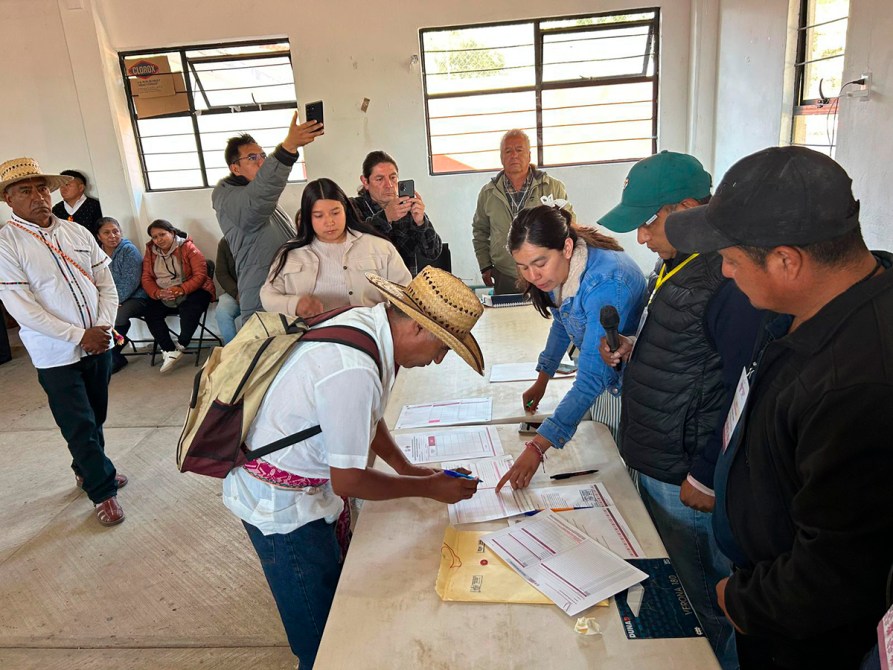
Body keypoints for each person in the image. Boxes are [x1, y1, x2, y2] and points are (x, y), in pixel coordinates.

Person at [664, 146, 893, 669]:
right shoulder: (811, 310)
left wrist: (739, 601)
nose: (723, 273)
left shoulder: (857, 384)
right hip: (765, 597)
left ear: (787, 261)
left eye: (732, 259)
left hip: (802, 636)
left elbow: (839, 568)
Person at [224, 266, 484, 669]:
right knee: (321, 638)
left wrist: (408, 468)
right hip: (283, 512)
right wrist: (428, 489)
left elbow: (367, 415)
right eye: (443, 347)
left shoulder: (368, 328)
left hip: (304, 492)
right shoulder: (354, 367)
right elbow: (347, 480)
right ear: (416, 329)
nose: (439, 360)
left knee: (333, 605)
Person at [596, 150, 765, 670]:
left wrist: (707, 473)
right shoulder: (680, 263)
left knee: (707, 603)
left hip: (686, 472)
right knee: (686, 589)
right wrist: (632, 346)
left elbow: (745, 387)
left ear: (688, 207)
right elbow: (687, 353)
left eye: (648, 221)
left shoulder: (727, 280)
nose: (641, 236)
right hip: (661, 454)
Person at [0, 157, 127, 526]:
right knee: (78, 423)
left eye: (42, 188)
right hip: (55, 353)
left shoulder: (77, 232)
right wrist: (78, 336)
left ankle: (89, 468)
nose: (38, 196)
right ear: (9, 199)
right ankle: (103, 491)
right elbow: (23, 309)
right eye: (26, 190)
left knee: (96, 415)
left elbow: (106, 283)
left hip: (98, 344)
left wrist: (101, 328)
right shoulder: (7, 245)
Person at [494, 204, 646, 491]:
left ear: (566, 247)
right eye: (523, 267)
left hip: (627, 390)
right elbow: (563, 322)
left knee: (623, 482)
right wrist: (542, 378)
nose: (534, 277)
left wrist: (538, 447)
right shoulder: (565, 268)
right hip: (606, 385)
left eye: (539, 263)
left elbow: (592, 379)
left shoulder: (606, 284)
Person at [211, 112, 324, 321]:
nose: (261, 161)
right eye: (252, 158)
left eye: (263, 155)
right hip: (261, 292)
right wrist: (287, 149)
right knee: (268, 350)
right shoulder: (227, 196)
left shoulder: (259, 196)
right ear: (235, 168)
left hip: (284, 289)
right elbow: (256, 202)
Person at [261, 178, 410, 318]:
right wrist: (294, 305)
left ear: (345, 210)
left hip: (370, 335)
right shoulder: (291, 254)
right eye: (319, 216)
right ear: (308, 218)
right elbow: (268, 295)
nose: (329, 222)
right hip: (312, 339)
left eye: (335, 212)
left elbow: (406, 294)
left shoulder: (379, 247)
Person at [472, 129, 574, 294]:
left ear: (529, 155)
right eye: (508, 151)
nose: (514, 155)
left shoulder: (552, 187)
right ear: (501, 157)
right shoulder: (488, 193)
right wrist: (485, 265)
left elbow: (568, 226)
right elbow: (480, 232)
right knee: (508, 319)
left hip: (545, 270)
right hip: (505, 274)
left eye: (519, 150)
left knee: (547, 317)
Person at [140, 219, 215, 373]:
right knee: (150, 312)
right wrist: (157, 292)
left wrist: (181, 289)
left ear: (172, 233)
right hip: (164, 291)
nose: (158, 239)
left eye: (162, 234)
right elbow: (146, 277)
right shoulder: (150, 251)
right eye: (154, 237)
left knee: (191, 307)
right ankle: (169, 350)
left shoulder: (188, 247)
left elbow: (200, 275)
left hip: (193, 288)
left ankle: (181, 344)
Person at [350, 150, 442, 275]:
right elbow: (354, 245)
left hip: (405, 288)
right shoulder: (352, 206)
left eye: (393, 177)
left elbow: (433, 253)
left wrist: (421, 222)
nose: (389, 185)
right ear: (365, 182)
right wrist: (385, 217)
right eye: (379, 179)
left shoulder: (408, 208)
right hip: (368, 288)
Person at [96, 217, 148, 373]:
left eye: (115, 231)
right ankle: (105, 355)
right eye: (106, 232)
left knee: (117, 316)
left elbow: (130, 282)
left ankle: (114, 356)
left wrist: (111, 303)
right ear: (99, 236)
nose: (112, 236)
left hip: (136, 297)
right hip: (110, 298)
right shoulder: (96, 253)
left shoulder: (128, 250)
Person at [52, 169, 103, 235]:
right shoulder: (56, 210)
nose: (63, 189)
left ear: (81, 187)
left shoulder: (95, 206)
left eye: (67, 185)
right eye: (61, 185)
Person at [214, 237, 240, 344]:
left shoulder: (261, 236)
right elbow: (221, 273)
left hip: (260, 290)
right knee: (222, 312)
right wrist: (236, 293)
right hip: (235, 291)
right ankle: (232, 350)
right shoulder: (225, 242)